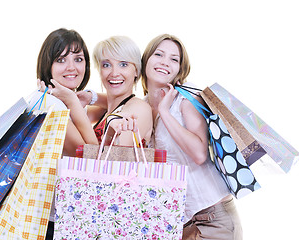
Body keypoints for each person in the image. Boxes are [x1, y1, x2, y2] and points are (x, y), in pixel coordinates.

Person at [141, 34, 243, 239]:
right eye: (159, 54)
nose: (165, 62)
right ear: (145, 61)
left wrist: (165, 111)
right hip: (178, 224)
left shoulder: (187, 98)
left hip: (214, 219)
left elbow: (199, 154)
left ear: (180, 69)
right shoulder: (141, 106)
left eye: (174, 59)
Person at [32, 28, 98, 240]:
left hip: (54, 218)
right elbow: (90, 156)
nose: (72, 67)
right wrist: (72, 101)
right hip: (51, 223)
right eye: (61, 60)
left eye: (78, 59)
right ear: (48, 66)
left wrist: (80, 99)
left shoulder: (54, 100)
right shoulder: (53, 105)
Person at [89, 35, 152, 147]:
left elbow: (115, 155)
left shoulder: (139, 108)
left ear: (136, 71)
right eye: (106, 65)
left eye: (123, 64)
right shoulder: (104, 111)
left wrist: (73, 102)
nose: (114, 73)